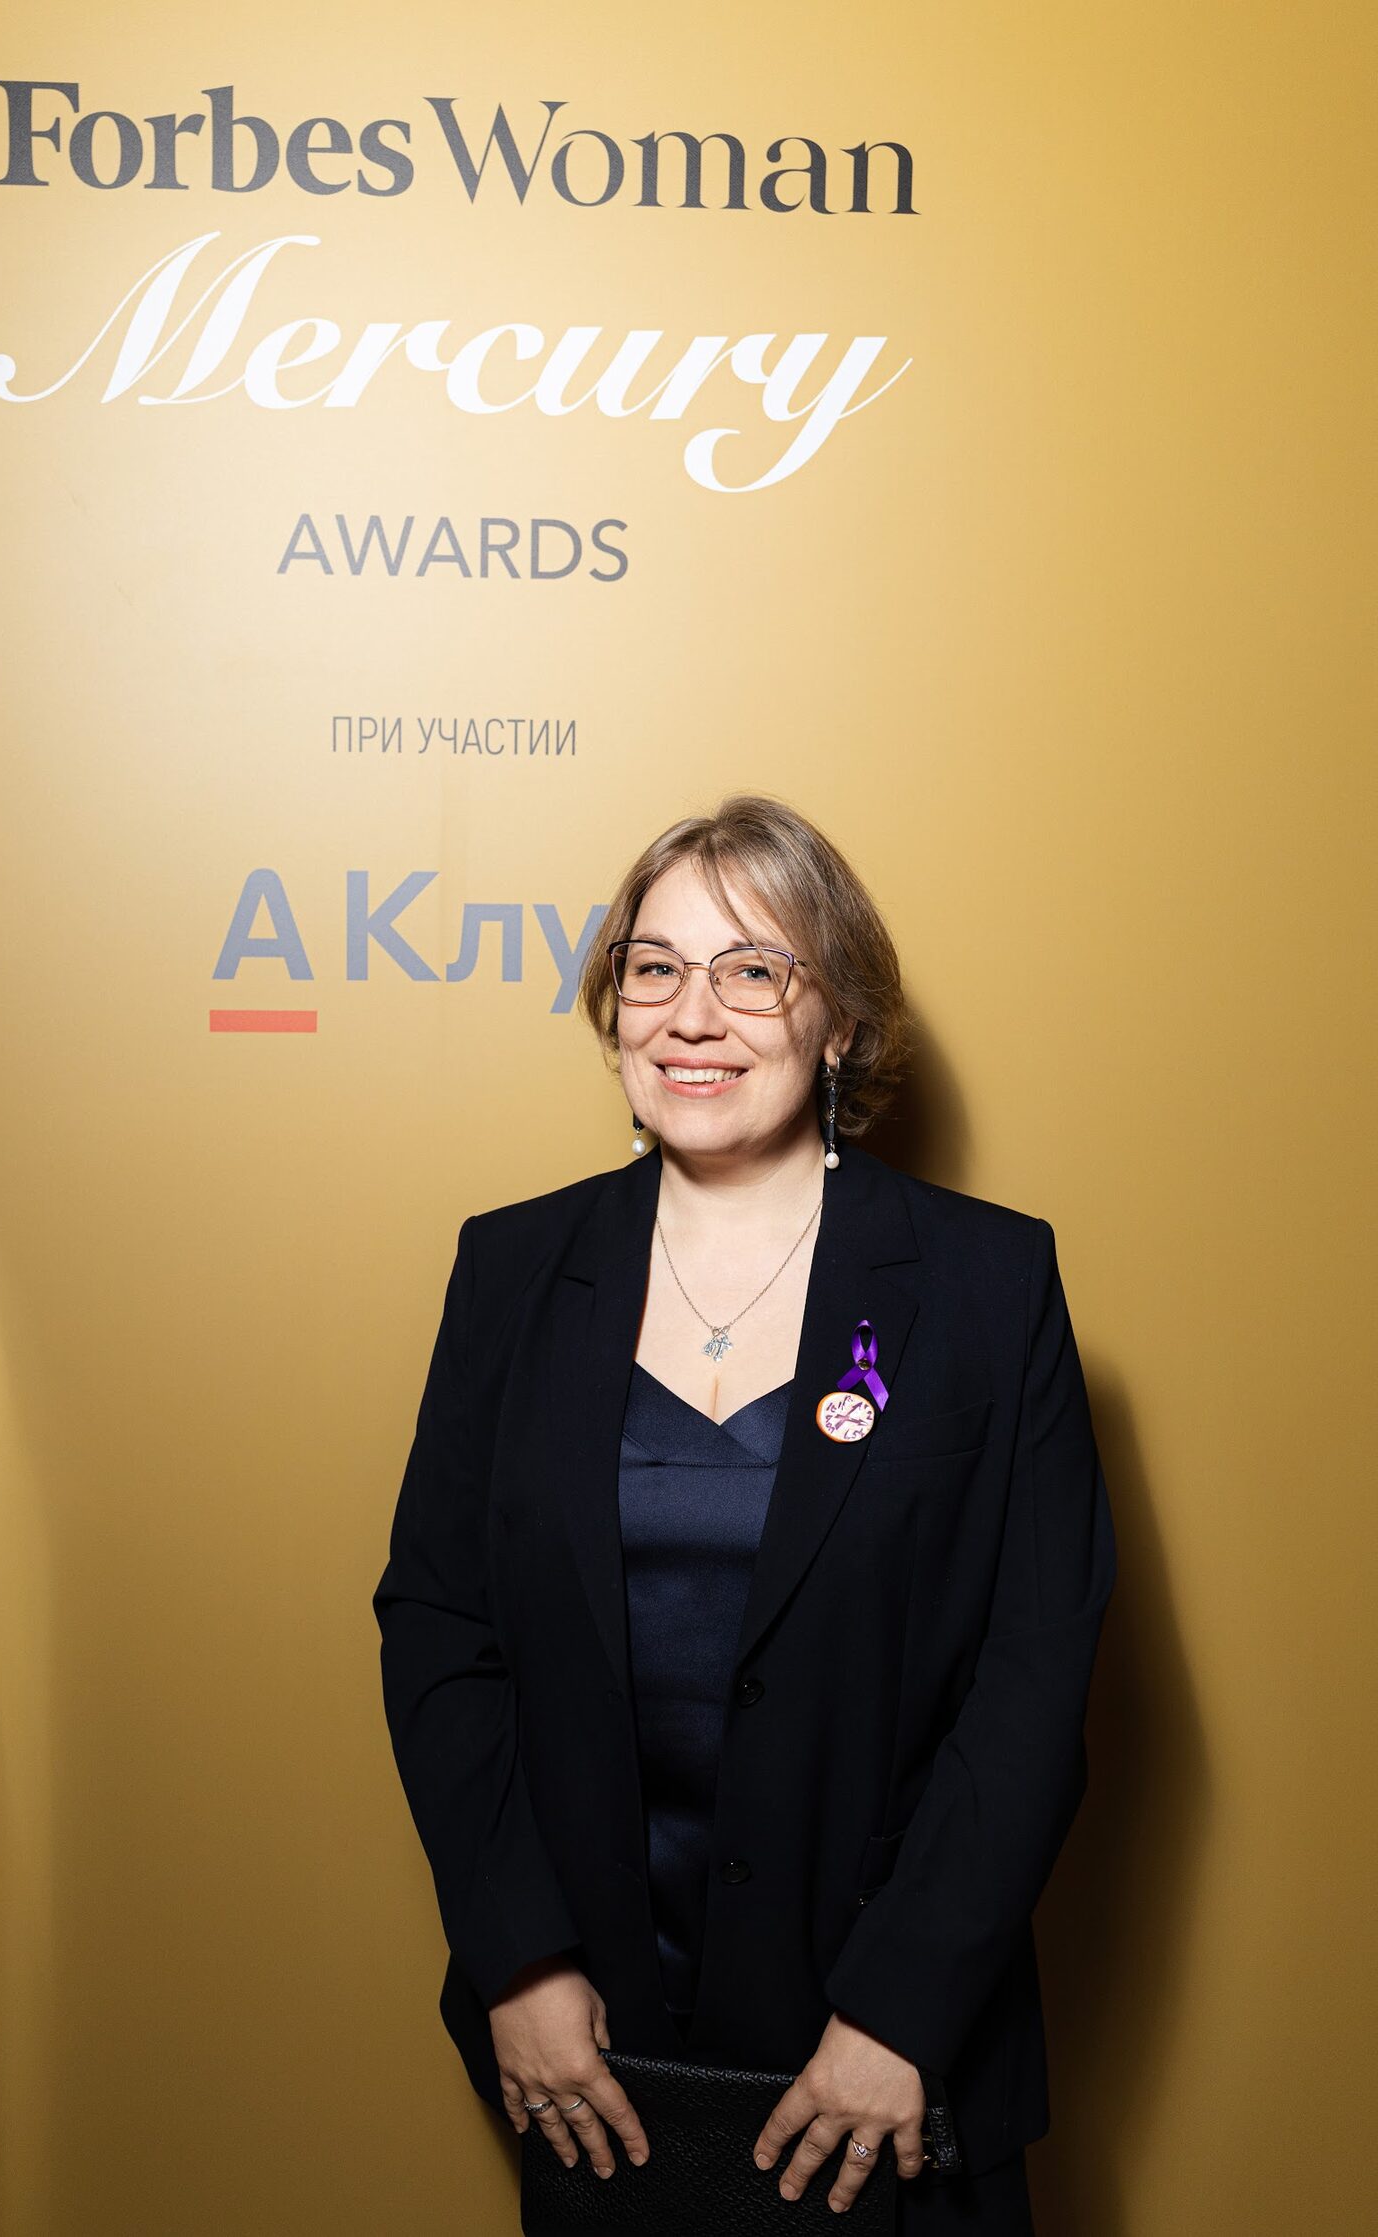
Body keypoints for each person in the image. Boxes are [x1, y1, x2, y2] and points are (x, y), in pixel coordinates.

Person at [372, 794, 1116, 2231]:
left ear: (839, 1022)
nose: (692, 1014)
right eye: (654, 967)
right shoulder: (512, 1271)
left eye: (753, 969)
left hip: (886, 2059)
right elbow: (439, 1626)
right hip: (598, 2059)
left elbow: (1036, 1679)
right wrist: (519, 1958)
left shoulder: (987, 1284)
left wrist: (901, 2013)